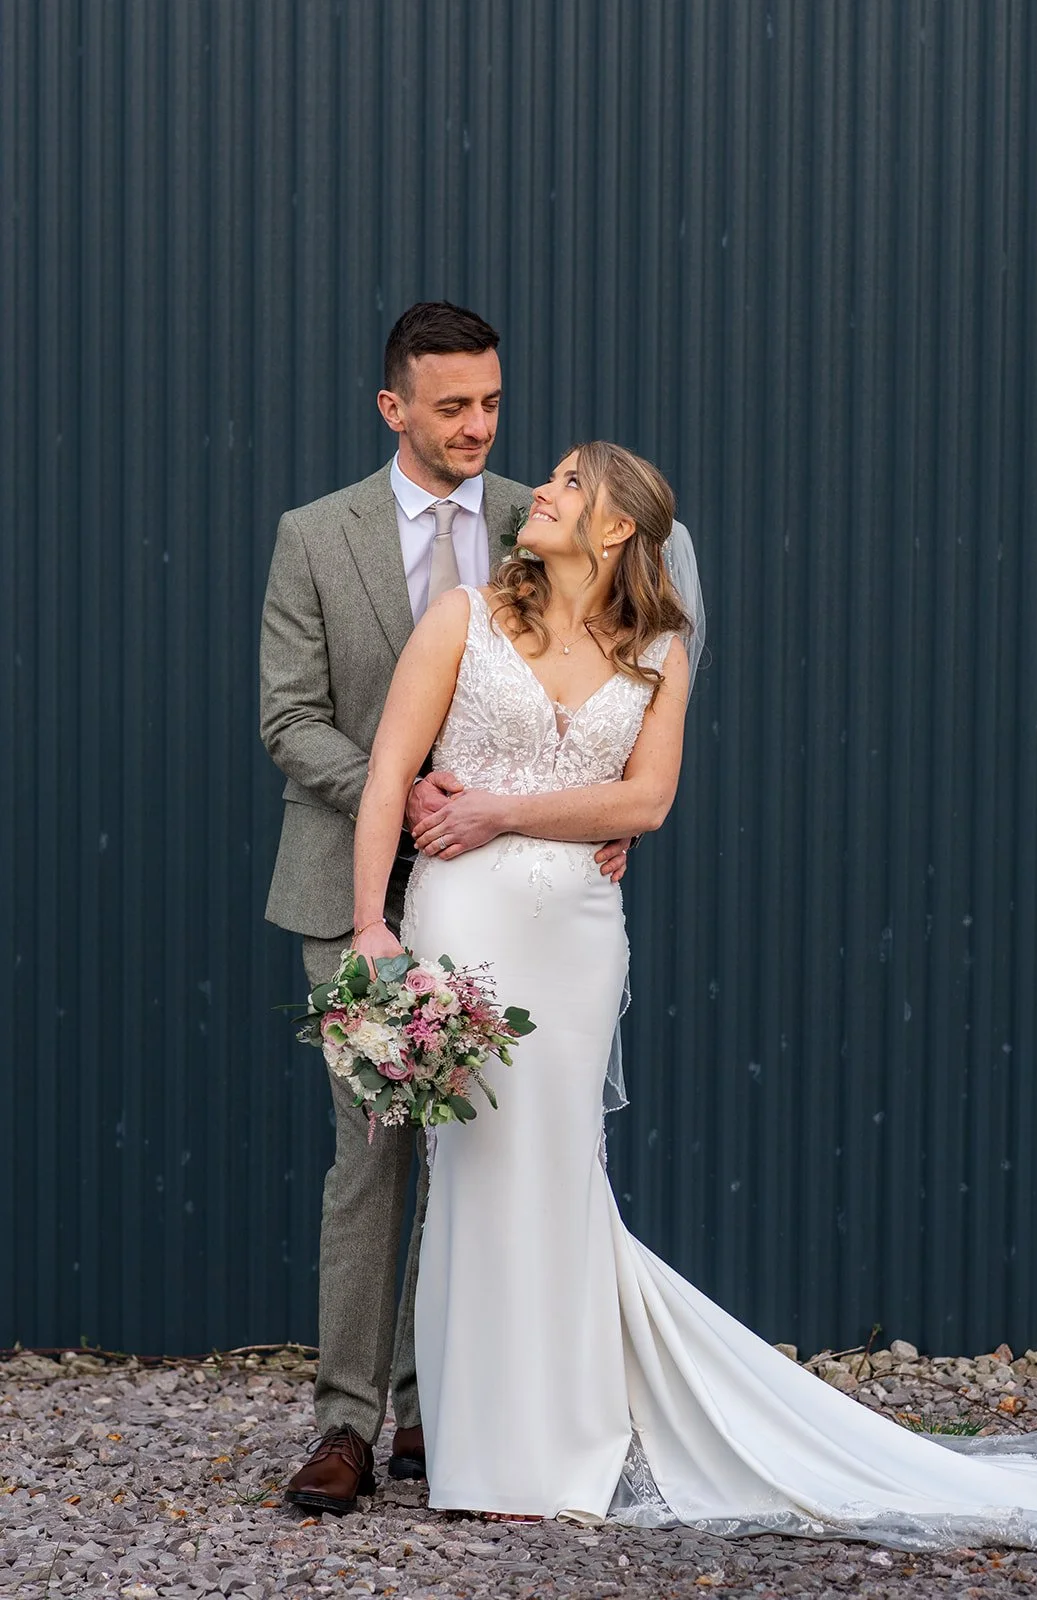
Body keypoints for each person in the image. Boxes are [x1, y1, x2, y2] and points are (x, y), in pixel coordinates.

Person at [348, 440, 1037, 1544]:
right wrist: (372, 926)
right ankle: (483, 1442)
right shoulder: (460, 617)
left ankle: (566, 1436)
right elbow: (392, 771)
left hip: (577, 943)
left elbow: (644, 802)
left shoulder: (657, 648)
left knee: (556, 1167)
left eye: (567, 484)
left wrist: (499, 809)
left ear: (616, 529)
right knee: (477, 1167)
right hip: (460, 923)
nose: (536, 490)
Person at [261, 303, 629, 1515]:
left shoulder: (550, 515)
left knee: (491, 1153)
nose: (478, 426)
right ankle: (347, 1425)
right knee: (371, 1160)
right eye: (452, 406)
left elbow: (606, 687)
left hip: (509, 900)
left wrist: (595, 816)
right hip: (354, 891)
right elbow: (289, 720)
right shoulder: (316, 538)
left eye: (491, 402)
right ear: (394, 410)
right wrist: (400, 789)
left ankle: (445, 1411)